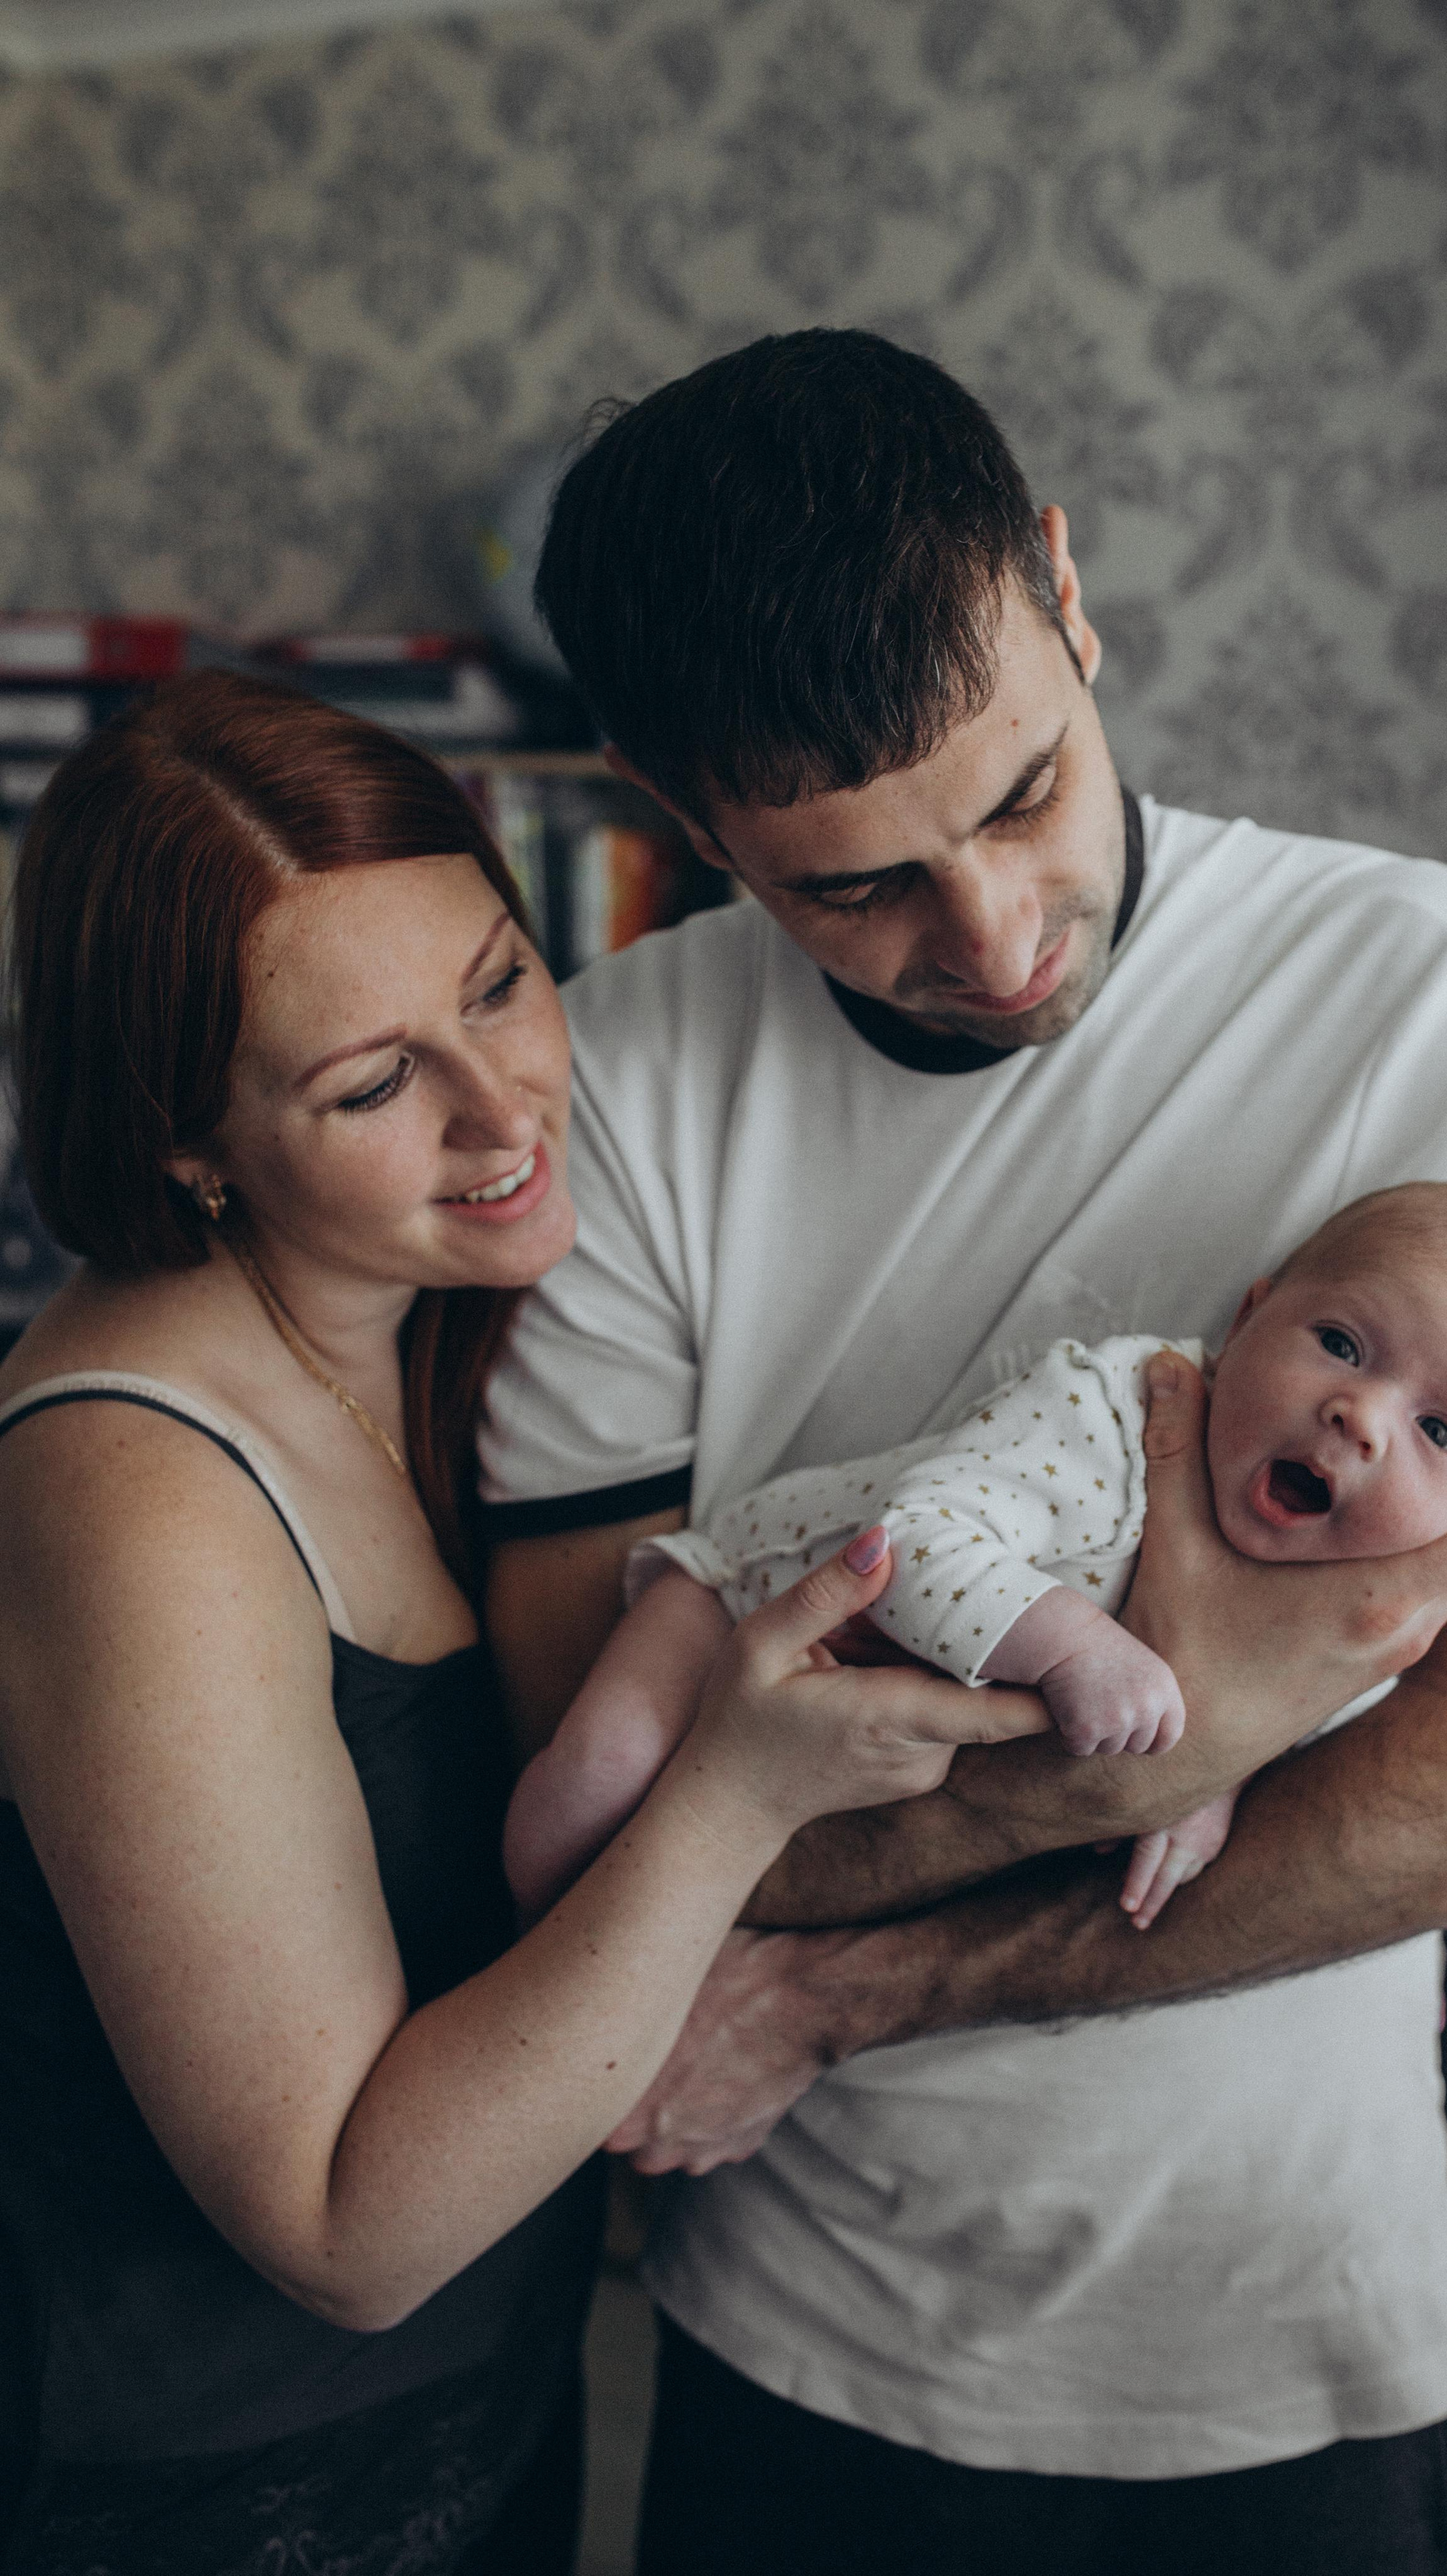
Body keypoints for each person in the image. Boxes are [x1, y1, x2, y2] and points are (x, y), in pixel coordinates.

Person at [481, 332, 1447, 2576]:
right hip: (790, 2345)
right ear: (663, 800)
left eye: (1021, 791)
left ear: (1062, 583)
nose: (998, 940)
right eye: (851, 891)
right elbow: (598, 1809)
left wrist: (849, 1984)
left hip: (1288, 2355)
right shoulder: (603, 1093)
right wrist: (1188, 1742)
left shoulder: (1427, 981)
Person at [0, 671, 1049, 2575]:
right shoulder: (132, 1493)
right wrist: (729, 1799)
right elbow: (345, 2231)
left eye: (497, 983)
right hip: (215, 2504)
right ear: (188, 1143)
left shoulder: (428, 1337)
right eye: (374, 1080)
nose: (506, 1108)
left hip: (490, 2429)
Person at [504, 1181, 1447, 1931]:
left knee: (711, 1892)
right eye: (1341, 1345)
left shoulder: (1363, 1616)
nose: (1360, 1414)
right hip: (735, 1605)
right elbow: (914, 1541)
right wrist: (1073, 1646)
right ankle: (526, 1955)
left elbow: (1264, 1718)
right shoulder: (1112, 1405)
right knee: (598, 1778)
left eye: (1440, 1434)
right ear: (1251, 1317)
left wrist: (1204, 1790)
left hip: (832, 1770)